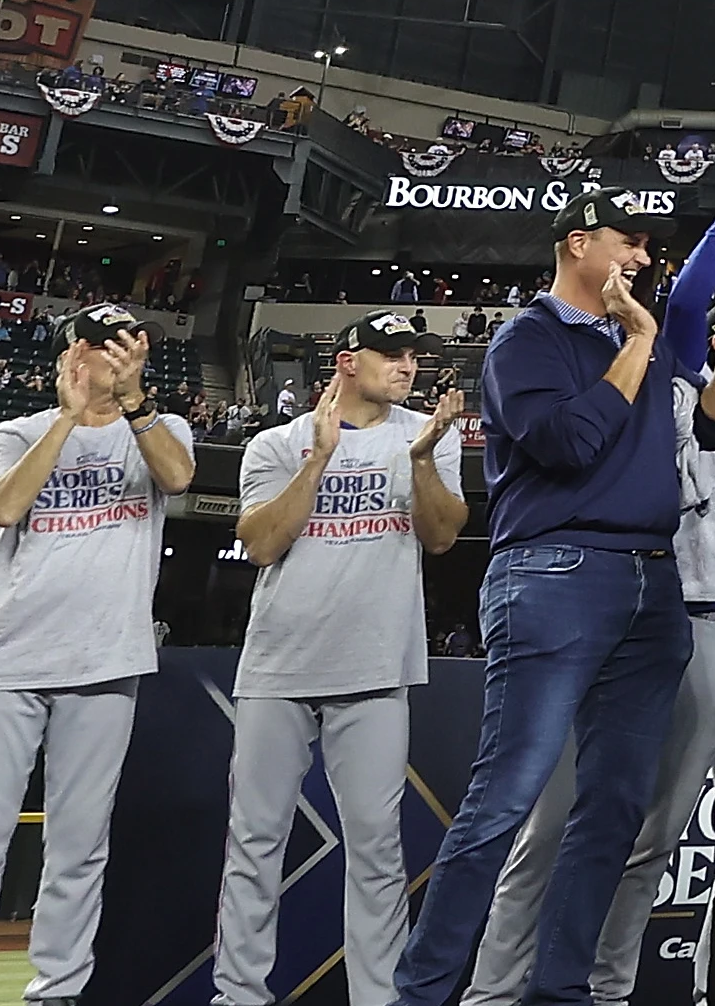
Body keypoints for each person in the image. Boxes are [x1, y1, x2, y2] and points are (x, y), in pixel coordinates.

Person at [457, 172, 715, 1006]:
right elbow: (681, 312)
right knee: (569, 827)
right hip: (662, 605)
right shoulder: (677, 383)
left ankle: (629, 990)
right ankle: (502, 992)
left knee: (714, 847)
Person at [388, 192, 704, 1006]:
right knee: (506, 797)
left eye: (648, 246)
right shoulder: (527, 339)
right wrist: (638, 343)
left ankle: (559, 993)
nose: (642, 258)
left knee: (615, 811)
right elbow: (569, 443)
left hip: (651, 577)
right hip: (556, 570)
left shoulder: (648, 337)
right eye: (627, 242)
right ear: (577, 244)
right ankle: (422, 994)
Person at [0, 305, 194, 1006]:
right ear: (71, 354)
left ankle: (58, 990)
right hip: (5, 656)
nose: (113, 358)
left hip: (105, 659)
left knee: (78, 843)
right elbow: (6, 507)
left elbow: (178, 478)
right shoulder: (14, 431)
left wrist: (132, 404)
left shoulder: (160, 431)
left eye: (126, 348)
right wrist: (68, 420)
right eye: (101, 347)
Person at [218, 313, 469, 1006]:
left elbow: (442, 537)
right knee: (255, 842)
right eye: (391, 354)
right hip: (278, 665)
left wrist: (422, 459)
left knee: (377, 850)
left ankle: (378, 998)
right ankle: (238, 995)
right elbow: (262, 543)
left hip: (377, 666)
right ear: (347, 360)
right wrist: (319, 459)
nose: (407, 365)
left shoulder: (425, 436)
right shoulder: (279, 441)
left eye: (412, 355)